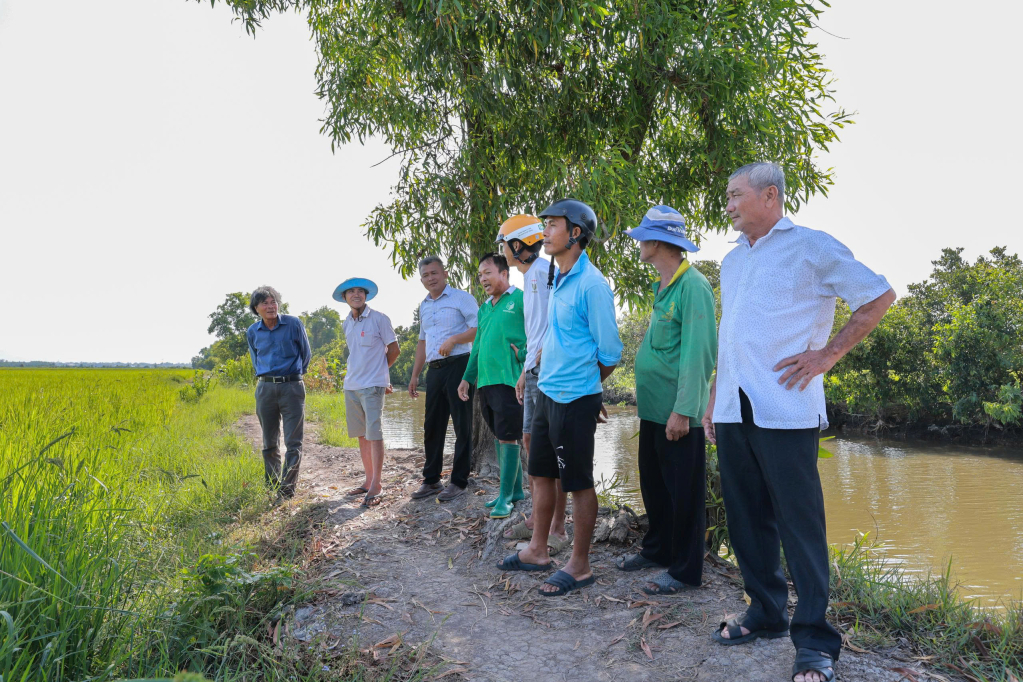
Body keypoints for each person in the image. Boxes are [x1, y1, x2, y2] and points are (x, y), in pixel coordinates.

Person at [701, 163, 895, 682]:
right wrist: (715, 396)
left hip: (785, 407)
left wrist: (827, 356)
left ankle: (814, 642)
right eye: (727, 195)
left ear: (770, 196)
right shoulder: (732, 262)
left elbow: (877, 296)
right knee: (746, 519)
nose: (729, 204)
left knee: (799, 524)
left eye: (735, 194)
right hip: (734, 408)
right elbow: (732, 333)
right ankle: (765, 612)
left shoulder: (810, 245)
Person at [496, 198, 623, 598]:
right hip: (547, 390)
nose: (544, 231)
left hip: (574, 398)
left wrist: (588, 387)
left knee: (579, 480)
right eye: (545, 224)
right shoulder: (556, 276)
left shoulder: (592, 285)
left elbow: (611, 353)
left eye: (552, 225)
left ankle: (580, 565)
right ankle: (537, 548)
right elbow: (552, 336)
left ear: (576, 234)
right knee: (541, 471)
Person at [615, 206, 717, 596]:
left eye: (643, 237)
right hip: (654, 412)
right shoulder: (664, 285)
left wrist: (684, 411)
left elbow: (699, 354)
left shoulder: (693, 286)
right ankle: (658, 550)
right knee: (655, 487)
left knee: (684, 494)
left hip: (678, 415)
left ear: (658, 242)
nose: (638, 244)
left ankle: (687, 570)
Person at [497, 215, 570, 555]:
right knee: (529, 441)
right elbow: (536, 330)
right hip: (533, 370)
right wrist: (524, 370)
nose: (502, 251)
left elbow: (555, 324)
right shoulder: (530, 278)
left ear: (517, 245)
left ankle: (557, 525)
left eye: (504, 244)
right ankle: (539, 518)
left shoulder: (543, 274)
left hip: (549, 371)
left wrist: (537, 362)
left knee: (551, 447)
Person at [457, 253, 527, 518]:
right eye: (480, 275)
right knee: (500, 435)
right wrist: (467, 377)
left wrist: (523, 354)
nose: (483, 279)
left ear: (504, 273)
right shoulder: (484, 308)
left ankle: (505, 497)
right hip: (486, 382)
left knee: (509, 436)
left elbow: (539, 332)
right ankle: (516, 489)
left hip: (510, 380)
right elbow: (477, 347)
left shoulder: (521, 299)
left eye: (487, 273)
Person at [408, 256, 480, 501]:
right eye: (426, 275)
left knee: (462, 425)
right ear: (421, 280)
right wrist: (416, 374)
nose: (431, 278)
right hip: (434, 370)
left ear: (445, 273)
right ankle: (431, 480)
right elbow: (422, 341)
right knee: (432, 426)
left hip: (460, 365)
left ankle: (459, 481)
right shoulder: (424, 306)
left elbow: (479, 329)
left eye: (434, 273)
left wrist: (454, 340)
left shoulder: (462, 298)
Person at [333, 278, 400, 507]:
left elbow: (394, 349)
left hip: (372, 385)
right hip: (351, 385)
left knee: (375, 433)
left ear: (366, 295)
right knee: (361, 434)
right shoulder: (347, 323)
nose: (356, 294)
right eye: (351, 292)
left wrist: (380, 375)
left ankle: (377, 484)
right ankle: (368, 480)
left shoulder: (379, 319)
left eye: (360, 291)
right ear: (345, 298)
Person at [245, 285, 312, 503]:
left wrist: (295, 377)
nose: (270, 306)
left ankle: (286, 490)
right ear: (256, 308)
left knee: (294, 442)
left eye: (273, 301)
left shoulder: (293, 323)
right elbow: (256, 359)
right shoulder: (253, 332)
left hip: (292, 387)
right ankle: (272, 484)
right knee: (269, 442)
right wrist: (266, 378)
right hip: (265, 388)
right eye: (265, 302)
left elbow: (306, 354)